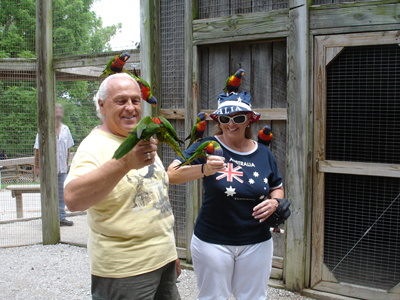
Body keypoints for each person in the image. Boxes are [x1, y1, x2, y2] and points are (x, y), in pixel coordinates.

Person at [64, 73, 181, 300]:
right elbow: (73, 199)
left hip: (162, 259)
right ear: (102, 105)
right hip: (125, 270)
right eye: (121, 101)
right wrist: (125, 163)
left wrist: (170, 252)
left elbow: (156, 201)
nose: (130, 108)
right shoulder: (93, 146)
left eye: (135, 100)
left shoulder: (141, 136)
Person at [168, 91, 284, 300]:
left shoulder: (264, 152)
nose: (232, 124)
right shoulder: (207, 146)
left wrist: (275, 202)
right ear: (219, 121)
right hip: (213, 242)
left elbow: (277, 185)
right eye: (225, 119)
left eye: (238, 118)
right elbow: (171, 174)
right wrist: (205, 169)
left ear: (249, 120)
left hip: (257, 241)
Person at [34, 103, 74, 226]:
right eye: (55, 111)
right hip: (48, 169)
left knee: (62, 193)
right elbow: (37, 150)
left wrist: (67, 165)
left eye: (59, 112)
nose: (57, 114)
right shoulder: (43, 129)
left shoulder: (65, 129)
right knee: (48, 192)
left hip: (62, 168)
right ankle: (47, 217)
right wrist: (37, 167)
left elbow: (68, 149)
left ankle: (61, 217)